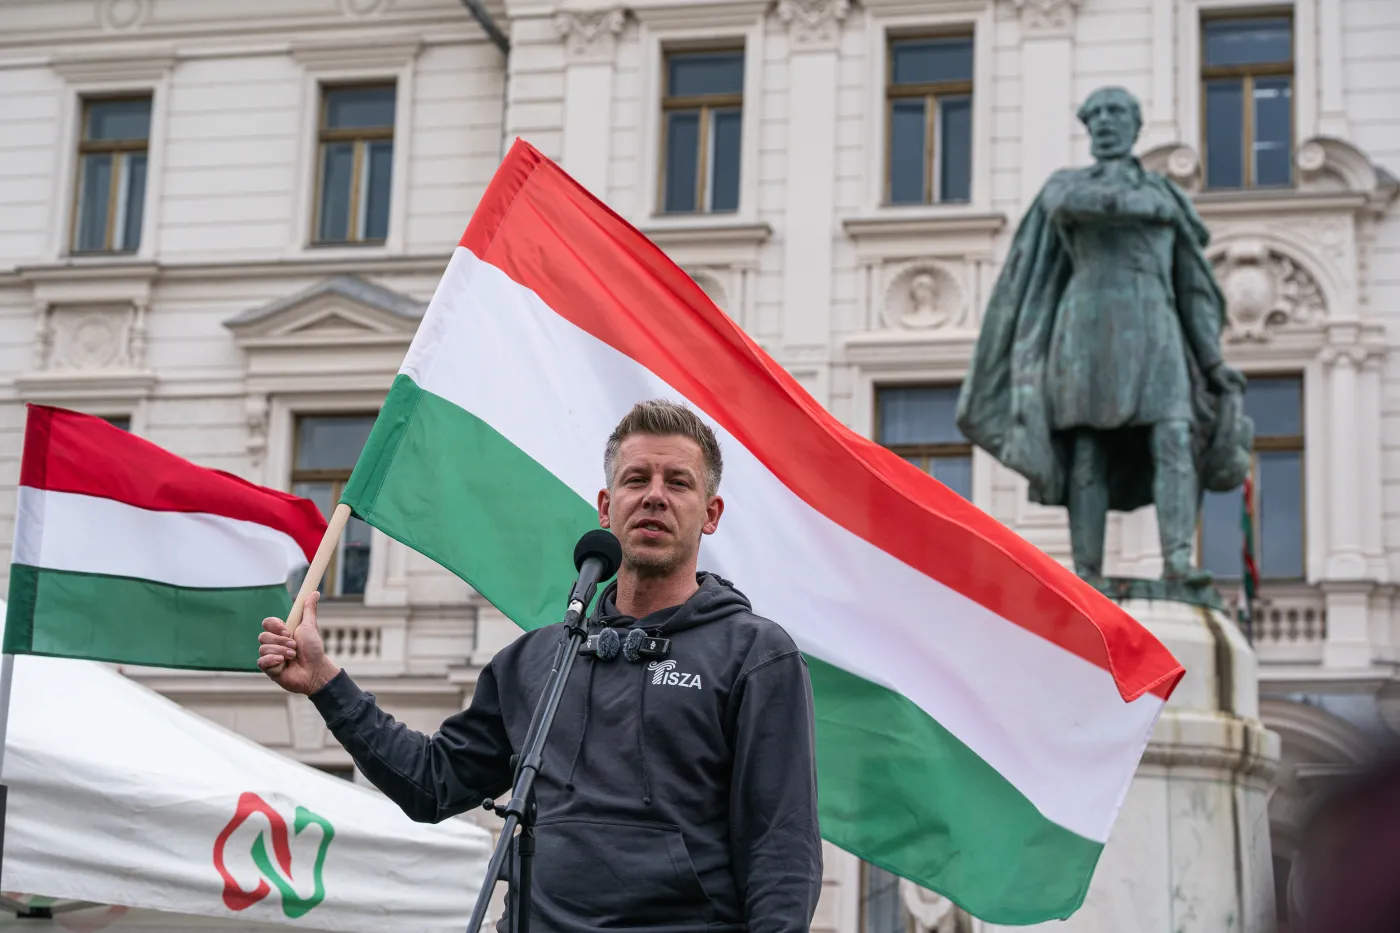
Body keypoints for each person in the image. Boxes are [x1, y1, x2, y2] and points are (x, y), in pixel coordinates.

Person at [258, 400, 824, 933]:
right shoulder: (536, 660)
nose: (655, 496)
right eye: (636, 480)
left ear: (711, 513)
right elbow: (431, 784)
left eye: (678, 483)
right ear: (606, 507)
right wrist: (325, 684)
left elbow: (781, 853)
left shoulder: (755, 655)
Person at [956, 86, 1251, 588]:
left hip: (1157, 327)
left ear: (1136, 126)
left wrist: (1210, 359)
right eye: (1096, 115)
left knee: (1175, 437)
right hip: (1084, 329)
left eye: (1117, 113)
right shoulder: (1068, 187)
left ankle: (1178, 561)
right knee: (1088, 448)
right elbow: (1066, 206)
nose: (1106, 123)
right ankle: (1088, 574)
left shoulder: (1165, 196)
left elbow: (1194, 288)